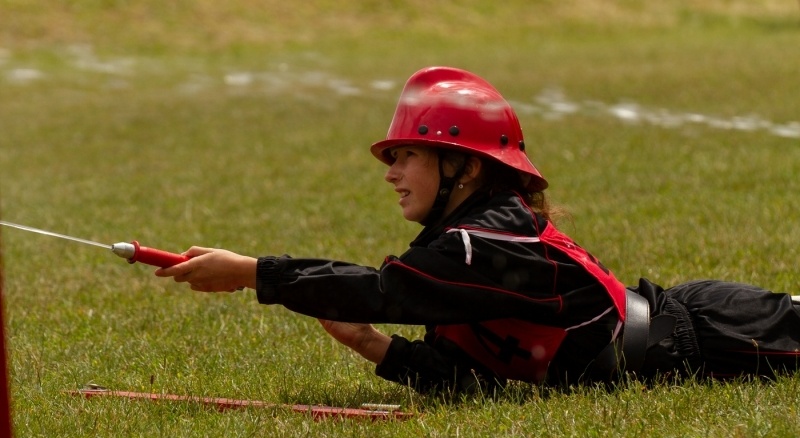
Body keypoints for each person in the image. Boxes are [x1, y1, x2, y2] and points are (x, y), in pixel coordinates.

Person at [155, 66, 800, 393]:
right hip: (684, 337)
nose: (391, 173)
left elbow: (388, 291)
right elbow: (469, 381)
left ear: (461, 164)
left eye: (406, 155)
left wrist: (252, 274)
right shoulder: (453, 250)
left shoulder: (483, 243)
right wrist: (372, 347)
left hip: (715, 335)